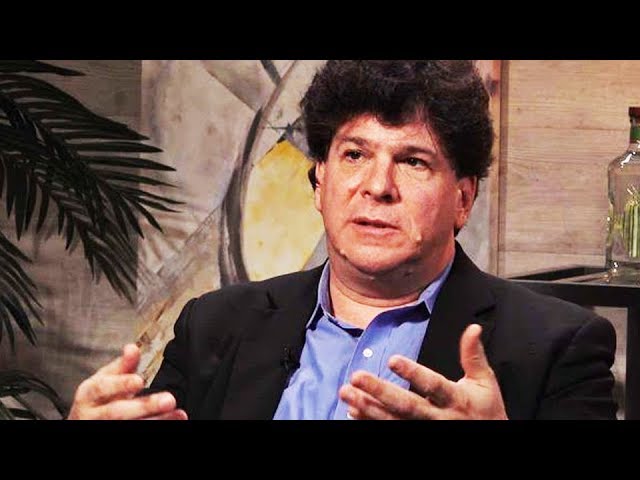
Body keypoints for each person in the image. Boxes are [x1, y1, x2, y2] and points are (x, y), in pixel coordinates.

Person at [67, 60, 617, 420]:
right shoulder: (213, 326)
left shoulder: (557, 346)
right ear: (319, 182)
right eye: (355, 154)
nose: (378, 186)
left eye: (413, 161)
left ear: (463, 198)